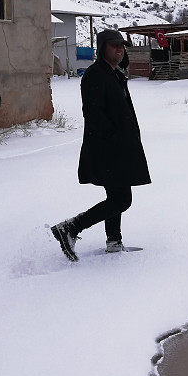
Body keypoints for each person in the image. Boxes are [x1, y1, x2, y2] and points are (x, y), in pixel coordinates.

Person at [51, 29, 151, 261]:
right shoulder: (95, 75)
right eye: (114, 45)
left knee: (115, 195)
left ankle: (114, 242)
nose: (119, 49)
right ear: (103, 47)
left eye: (121, 46)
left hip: (118, 148)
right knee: (122, 199)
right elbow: (94, 115)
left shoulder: (114, 74)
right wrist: (116, 140)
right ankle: (70, 228)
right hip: (107, 150)